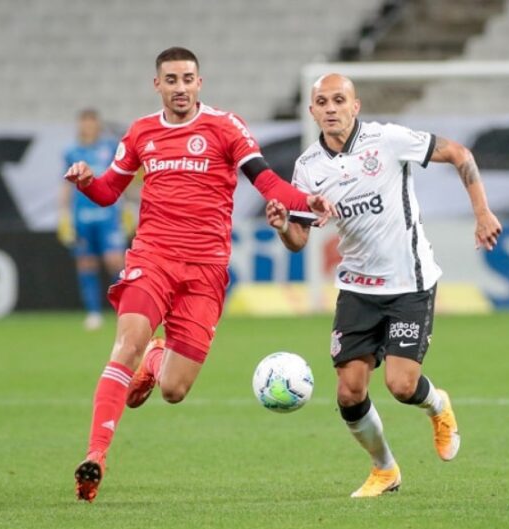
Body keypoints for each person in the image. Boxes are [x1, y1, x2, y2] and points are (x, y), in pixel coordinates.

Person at [64, 47, 336, 503]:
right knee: (125, 343)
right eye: (171, 79)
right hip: (152, 257)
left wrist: (304, 200)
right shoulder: (141, 132)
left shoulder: (225, 127)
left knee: (174, 389)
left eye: (187, 78)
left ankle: (156, 361)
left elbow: (266, 180)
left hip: (205, 270)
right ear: (158, 86)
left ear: (199, 82)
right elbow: (110, 191)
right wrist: (88, 181)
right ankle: (96, 456)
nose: (181, 87)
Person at [265, 73, 502, 498]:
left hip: (409, 282)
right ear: (312, 111)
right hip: (357, 287)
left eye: (340, 100)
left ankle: (438, 405)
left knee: (401, 385)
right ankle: (385, 470)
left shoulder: (388, 140)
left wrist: (482, 213)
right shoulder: (306, 169)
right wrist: (284, 225)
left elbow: (459, 153)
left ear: (355, 106)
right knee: (349, 392)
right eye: (322, 102)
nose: (331, 108)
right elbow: (299, 241)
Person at [58, 109, 127, 330]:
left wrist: (129, 207)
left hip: (108, 215)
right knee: (86, 263)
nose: (88, 127)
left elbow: (122, 178)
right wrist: (64, 214)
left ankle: (125, 311)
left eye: (91, 122)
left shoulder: (110, 147)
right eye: (84, 123)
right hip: (82, 217)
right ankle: (94, 313)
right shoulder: (71, 151)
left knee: (114, 261)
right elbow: (66, 185)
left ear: (97, 125)